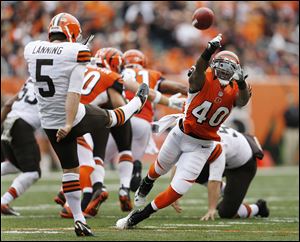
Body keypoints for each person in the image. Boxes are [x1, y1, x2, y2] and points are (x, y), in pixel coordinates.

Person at [24, 12, 148, 236]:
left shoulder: (31, 48)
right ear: (71, 32)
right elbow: (73, 91)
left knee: (70, 171)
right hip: (72, 116)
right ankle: (139, 101)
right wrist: (70, 123)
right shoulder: (78, 51)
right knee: (112, 118)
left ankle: (79, 220)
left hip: (49, 121)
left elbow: (55, 57)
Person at [116, 33, 251, 229]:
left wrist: (240, 83)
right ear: (213, 64)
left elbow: (242, 101)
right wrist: (207, 51)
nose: (223, 72)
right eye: (220, 66)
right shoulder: (202, 78)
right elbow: (196, 76)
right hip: (180, 134)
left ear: (236, 71)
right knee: (160, 168)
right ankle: (146, 183)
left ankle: (137, 217)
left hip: (203, 145)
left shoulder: (236, 89)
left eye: (229, 69)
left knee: (178, 189)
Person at [105, 49, 188, 195]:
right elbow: (178, 87)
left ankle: (91, 185)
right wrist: (194, 93)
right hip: (143, 121)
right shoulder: (152, 74)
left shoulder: (116, 74)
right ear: (143, 62)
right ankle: (135, 170)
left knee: (99, 159)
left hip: (121, 118)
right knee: (134, 158)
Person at [170, 125, 269, 220]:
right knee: (191, 168)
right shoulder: (195, 135)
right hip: (231, 152)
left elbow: (214, 180)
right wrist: (173, 193)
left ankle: (259, 208)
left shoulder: (217, 146)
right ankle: (226, 191)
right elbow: (180, 165)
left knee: (226, 213)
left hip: (243, 166)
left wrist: (211, 209)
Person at [1, 79, 41, 216]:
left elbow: (8, 104)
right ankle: (4, 201)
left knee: (16, 165)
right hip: (22, 126)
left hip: (8, 121)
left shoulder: (31, 79)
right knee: (33, 172)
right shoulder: (57, 81)